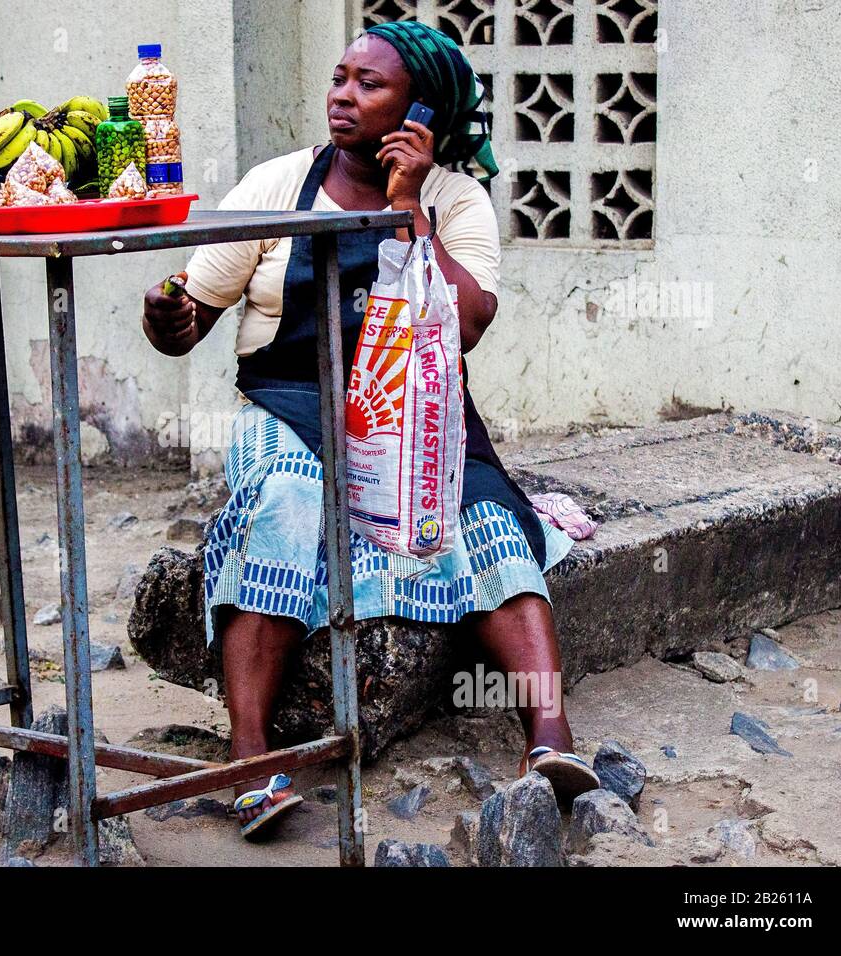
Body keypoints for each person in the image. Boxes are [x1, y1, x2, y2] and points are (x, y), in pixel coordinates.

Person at [141, 20, 599, 841]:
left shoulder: (456, 200)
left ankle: (550, 739)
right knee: (284, 500)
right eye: (340, 78)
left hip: (415, 412)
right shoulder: (277, 186)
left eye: (369, 85)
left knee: (492, 522)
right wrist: (166, 315)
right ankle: (250, 756)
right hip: (288, 404)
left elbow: (462, 325)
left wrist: (406, 210)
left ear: (420, 112)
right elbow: (188, 324)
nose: (343, 96)